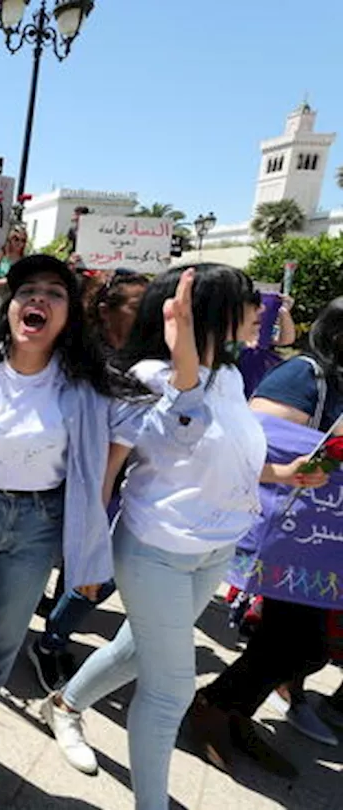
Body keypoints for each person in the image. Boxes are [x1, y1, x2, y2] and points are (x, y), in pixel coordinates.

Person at [42, 265, 308, 810]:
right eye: (249, 300)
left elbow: (232, 454)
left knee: (137, 651)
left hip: (213, 551)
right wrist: (87, 559)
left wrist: (287, 473)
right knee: (170, 692)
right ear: (207, 311)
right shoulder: (146, 376)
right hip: (155, 552)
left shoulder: (230, 377)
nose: (262, 311)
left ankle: (65, 706)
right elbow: (107, 475)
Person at [0, 254, 176, 810]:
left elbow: (143, 424)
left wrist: (96, 515)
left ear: (69, 314)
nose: (37, 300)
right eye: (27, 291)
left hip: (39, 528)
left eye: (53, 293)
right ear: (9, 306)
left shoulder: (88, 382)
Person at [190, 298, 343, 775]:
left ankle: (234, 712)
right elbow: (256, 439)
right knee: (300, 643)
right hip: (289, 531)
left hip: (321, 541)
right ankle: (212, 705)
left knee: (301, 643)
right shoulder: (304, 375)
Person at [27, 269, 150, 692]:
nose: (147, 314)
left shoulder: (144, 363)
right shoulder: (81, 359)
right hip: (58, 483)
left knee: (86, 575)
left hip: (108, 487)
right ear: (104, 310)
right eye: (138, 305)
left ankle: (52, 636)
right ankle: (43, 637)